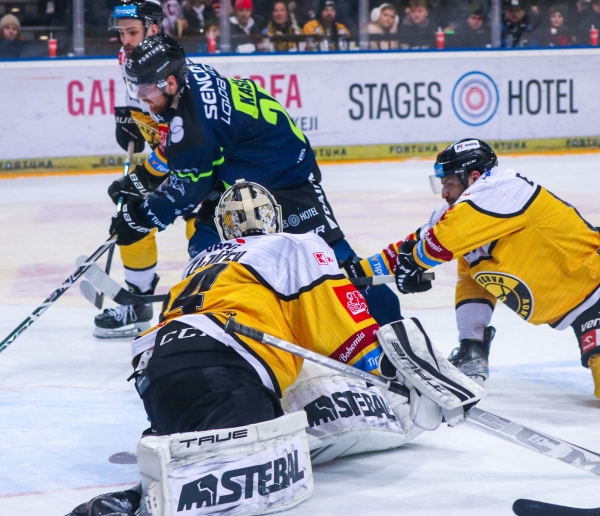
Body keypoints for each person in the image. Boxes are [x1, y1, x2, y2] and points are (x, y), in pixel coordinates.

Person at [56, 180, 474, 516]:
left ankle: (163, 443)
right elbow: (342, 325)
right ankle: (135, 503)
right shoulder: (296, 243)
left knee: (217, 428)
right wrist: (391, 372)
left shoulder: (201, 261)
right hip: (220, 364)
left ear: (222, 227)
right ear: (274, 217)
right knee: (260, 457)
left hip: (157, 371)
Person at [115, 34, 403, 327]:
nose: (140, 96)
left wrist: (140, 217)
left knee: (337, 265)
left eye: (145, 88)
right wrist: (143, 179)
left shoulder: (195, 131)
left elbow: (188, 190)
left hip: (287, 180)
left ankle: (393, 331)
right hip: (244, 173)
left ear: (171, 83)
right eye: (135, 86)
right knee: (206, 246)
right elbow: (185, 150)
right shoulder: (192, 73)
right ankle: (225, 321)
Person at [350, 138, 600, 408]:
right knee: (471, 265)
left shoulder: (503, 189)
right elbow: (410, 247)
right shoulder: (462, 214)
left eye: (449, 183)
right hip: (580, 303)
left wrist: (416, 261)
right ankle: (473, 345)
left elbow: (439, 243)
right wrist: (351, 272)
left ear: (473, 177)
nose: (444, 192)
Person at [92, 0, 171, 339]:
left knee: (206, 228)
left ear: (153, 30)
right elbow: (137, 99)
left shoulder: (167, 68)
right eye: (122, 32)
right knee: (133, 215)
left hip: (199, 161)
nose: (125, 39)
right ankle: (139, 304)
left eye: (133, 32)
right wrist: (129, 117)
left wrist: (143, 176)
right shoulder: (129, 56)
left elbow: (181, 143)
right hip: (166, 154)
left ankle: (216, 306)